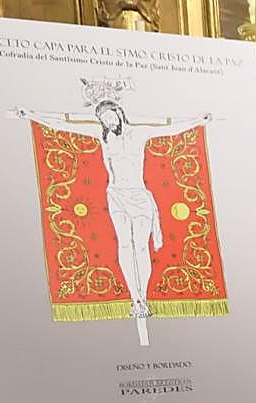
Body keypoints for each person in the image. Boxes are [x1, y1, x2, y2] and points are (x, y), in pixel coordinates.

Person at [13, 96, 212, 328]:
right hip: (116, 195)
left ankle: (144, 297)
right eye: (103, 120)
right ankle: (135, 299)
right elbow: (63, 126)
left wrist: (199, 121)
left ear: (118, 113)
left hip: (139, 196)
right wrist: (31, 116)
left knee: (141, 247)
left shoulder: (139, 133)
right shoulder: (103, 137)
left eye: (110, 116)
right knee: (124, 246)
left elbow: (170, 130)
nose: (108, 122)